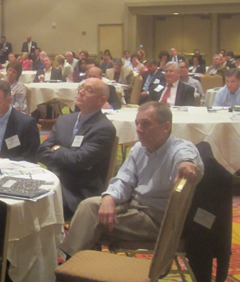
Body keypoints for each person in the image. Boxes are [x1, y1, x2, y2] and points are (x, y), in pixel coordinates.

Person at [59, 102, 203, 257]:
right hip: (134, 207)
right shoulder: (139, 149)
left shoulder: (179, 149)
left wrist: (187, 163)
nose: (139, 129)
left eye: (146, 124)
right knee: (90, 206)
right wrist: (109, 197)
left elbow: (187, 156)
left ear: (166, 127)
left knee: (90, 219)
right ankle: (79, 262)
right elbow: (123, 180)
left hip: (157, 220)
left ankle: (70, 261)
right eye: (137, 124)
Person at [37, 77, 116, 219]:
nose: (81, 92)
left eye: (89, 90)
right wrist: (71, 157)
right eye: (81, 88)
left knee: (37, 204)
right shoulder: (64, 120)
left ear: (101, 100)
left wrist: (57, 149)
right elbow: (42, 152)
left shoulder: (104, 128)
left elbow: (79, 161)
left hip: (78, 192)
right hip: (52, 179)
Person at [0, 80, 39, 162]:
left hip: (11, 167)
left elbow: (31, 158)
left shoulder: (26, 124)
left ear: (9, 100)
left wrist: (3, 161)